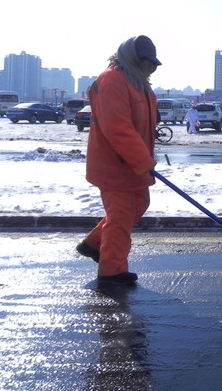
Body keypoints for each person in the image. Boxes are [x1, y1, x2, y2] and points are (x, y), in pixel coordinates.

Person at [75, 35, 161, 285]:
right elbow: (118, 129)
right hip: (114, 164)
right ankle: (111, 272)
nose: (150, 67)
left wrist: (143, 160)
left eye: (152, 63)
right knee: (122, 215)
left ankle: (94, 244)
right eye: (146, 62)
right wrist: (143, 161)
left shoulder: (140, 84)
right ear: (133, 59)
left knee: (140, 203)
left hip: (133, 163)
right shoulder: (112, 81)